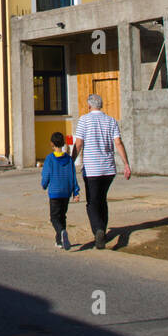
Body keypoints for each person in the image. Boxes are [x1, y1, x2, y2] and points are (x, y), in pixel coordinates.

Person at [72, 93, 131, 249]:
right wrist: (126, 164)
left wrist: (70, 161)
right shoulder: (111, 121)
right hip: (108, 169)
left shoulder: (84, 120)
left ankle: (98, 230)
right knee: (102, 200)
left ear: (89, 106)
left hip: (92, 169)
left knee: (92, 202)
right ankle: (102, 229)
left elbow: (78, 144)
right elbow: (118, 143)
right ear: (101, 105)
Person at [41, 131, 80, 250]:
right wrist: (76, 192)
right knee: (62, 216)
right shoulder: (68, 159)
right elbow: (73, 175)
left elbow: (46, 175)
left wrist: (44, 184)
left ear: (51, 143)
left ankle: (62, 231)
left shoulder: (50, 159)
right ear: (63, 143)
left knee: (54, 217)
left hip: (55, 192)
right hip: (66, 192)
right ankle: (59, 241)